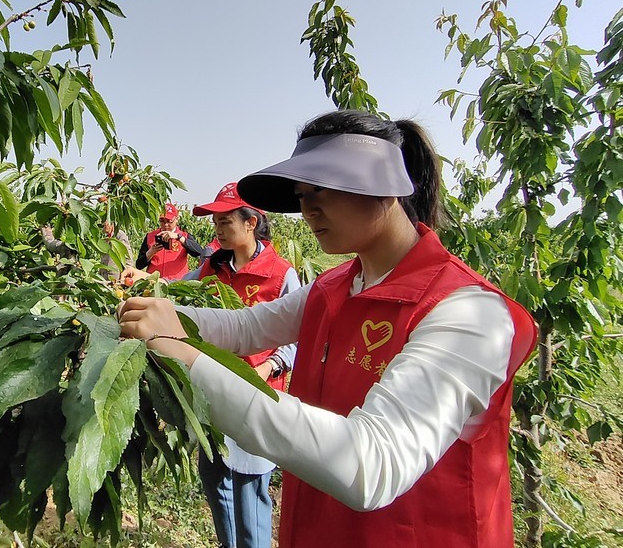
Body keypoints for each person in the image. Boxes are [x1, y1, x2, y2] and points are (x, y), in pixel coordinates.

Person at [118, 110, 538, 548]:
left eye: (322, 190)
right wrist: (162, 315)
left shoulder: (467, 313)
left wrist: (184, 355)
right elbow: (248, 327)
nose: (307, 209)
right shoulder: (335, 285)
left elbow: (372, 464)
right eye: (302, 194)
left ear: (386, 186)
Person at [126, 182, 299, 548]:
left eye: (225, 220)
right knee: (215, 474)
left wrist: (269, 368)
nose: (217, 229)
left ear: (251, 223)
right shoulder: (211, 267)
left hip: (257, 393)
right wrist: (145, 278)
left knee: (249, 488)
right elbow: (177, 287)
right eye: (216, 221)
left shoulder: (281, 274)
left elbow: (296, 336)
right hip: (212, 388)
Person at [135, 203, 209, 281]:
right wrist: (151, 252)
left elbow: (199, 252)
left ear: (177, 219)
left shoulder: (184, 236)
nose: (166, 224)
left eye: (169, 221)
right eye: (162, 221)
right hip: (154, 283)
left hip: (177, 284)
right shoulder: (150, 236)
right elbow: (139, 265)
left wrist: (179, 237)